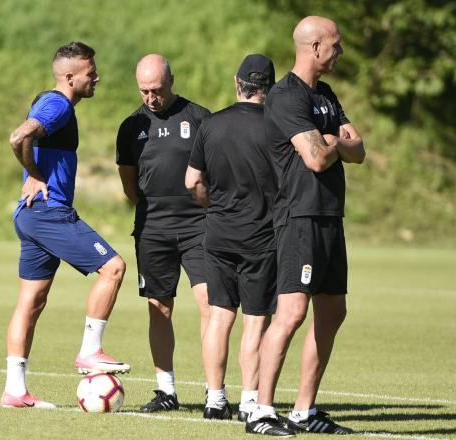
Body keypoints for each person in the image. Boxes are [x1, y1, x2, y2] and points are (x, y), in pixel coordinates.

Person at [247, 16, 366, 436]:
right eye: (336, 44)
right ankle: (260, 411)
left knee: (333, 311)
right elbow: (316, 158)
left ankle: (304, 410)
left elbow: (359, 150)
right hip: (299, 216)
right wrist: (334, 142)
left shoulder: (327, 95)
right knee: (293, 311)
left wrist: (333, 141)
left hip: (331, 215)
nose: (340, 51)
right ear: (314, 47)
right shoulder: (284, 97)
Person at [2, 41, 130, 409]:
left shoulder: (52, 103)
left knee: (32, 302)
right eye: (91, 73)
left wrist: (33, 172)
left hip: (30, 215)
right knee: (114, 267)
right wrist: (35, 173)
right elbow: (18, 136)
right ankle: (90, 352)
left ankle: (15, 390)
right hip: (48, 212)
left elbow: (27, 138)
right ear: (71, 77)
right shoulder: (57, 104)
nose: (97, 77)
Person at [185, 54, 278, 422]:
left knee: (219, 317)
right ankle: (250, 402)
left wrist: (213, 205)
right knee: (255, 321)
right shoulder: (278, 126)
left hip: (218, 234)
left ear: (237, 83)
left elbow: (192, 181)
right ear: (268, 89)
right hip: (262, 235)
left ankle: (214, 399)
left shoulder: (211, 124)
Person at [116, 54, 211, 412]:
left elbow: (214, 172)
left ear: (171, 81)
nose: (150, 97)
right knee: (159, 308)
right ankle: (166, 391)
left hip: (199, 226)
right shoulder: (131, 126)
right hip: (152, 228)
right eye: (144, 91)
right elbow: (129, 186)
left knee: (210, 304)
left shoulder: (200, 118)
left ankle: (213, 391)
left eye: (156, 89)